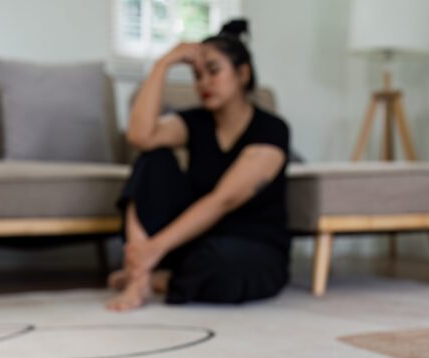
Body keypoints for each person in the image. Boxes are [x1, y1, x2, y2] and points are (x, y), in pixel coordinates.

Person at [106, 19, 291, 311]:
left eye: (214, 71)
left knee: (224, 263)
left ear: (243, 73)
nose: (203, 82)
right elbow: (140, 136)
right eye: (197, 74)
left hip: (250, 245)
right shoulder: (195, 122)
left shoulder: (271, 129)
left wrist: (152, 250)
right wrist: (163, 64)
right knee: (154, 157)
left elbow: (223, 200)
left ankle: (157, 275)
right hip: (193, 241)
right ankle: (141, 276)